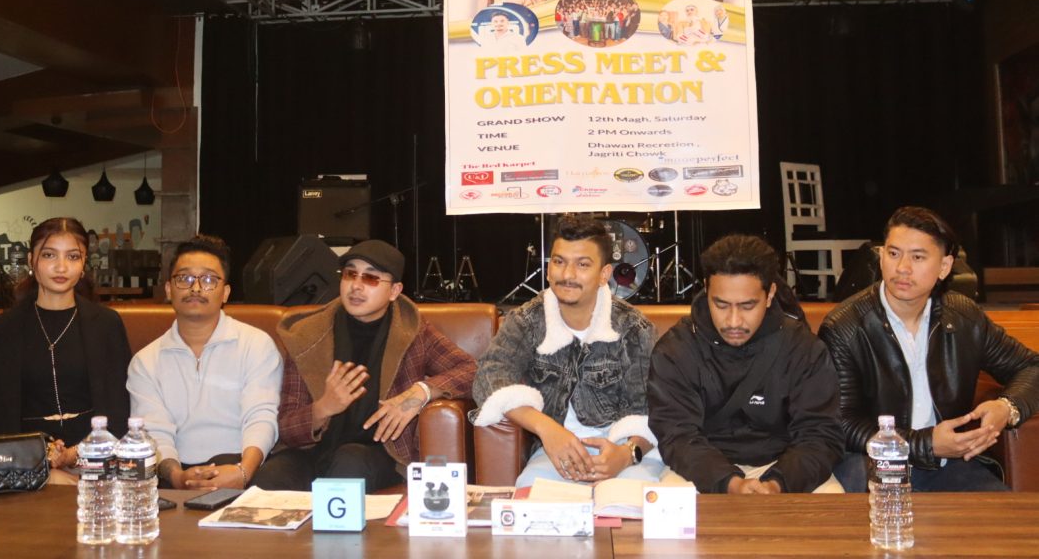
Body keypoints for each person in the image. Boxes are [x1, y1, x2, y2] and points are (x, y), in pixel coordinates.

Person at [819, 206, 1039, 492]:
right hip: (872, 463)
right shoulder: (845, 327)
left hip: (949, 465)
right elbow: (841, 424)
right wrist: (926, 444)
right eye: (893, 253)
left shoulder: (964, 317)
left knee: (1009, 517)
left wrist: (1006, 408)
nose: (902, 268)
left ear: (944, 267)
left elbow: (1031, 367)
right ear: (881, 256)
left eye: (918, 257)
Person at [255, 240, 476, 491]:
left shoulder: (412, 332)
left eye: (371, 278)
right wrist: (323, 408)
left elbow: (473, 371)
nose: (356, 286)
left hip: (377, 453)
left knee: (349, 463)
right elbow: (286, 428)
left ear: (394, 291)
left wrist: (420, 393)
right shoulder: (306, 336)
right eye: (350, 274)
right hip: (310, 452)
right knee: (267, 480)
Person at [472, 214, 662, 487]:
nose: (568, 275)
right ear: (548, 270)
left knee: (632, 505)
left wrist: (626, 453)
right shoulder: (528, 320)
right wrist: (546, 429)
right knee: (531, 499)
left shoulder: (633, 328)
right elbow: (489, 376)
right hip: (555, 452)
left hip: (624, 452)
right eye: (559, 262)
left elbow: (652, 408)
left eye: (583, 264)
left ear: (604, 274)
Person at [648, 235, 844, 494]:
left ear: (770, 294)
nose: (733, 321)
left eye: (747, 306)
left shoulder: (802, 348)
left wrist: (777, 483)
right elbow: (677, 436)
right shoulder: (677, 349)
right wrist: (730, 483)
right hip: (700, 469)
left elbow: (820, 435)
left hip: (787, 467)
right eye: (721, 304)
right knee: (670, 515)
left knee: (830, 513)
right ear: (706, 289)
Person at [0, 217, 131, 477]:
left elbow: (120, 409)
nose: (61, 266)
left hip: (97, 459)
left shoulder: (107, 325)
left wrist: (75, 454)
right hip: (21, 463)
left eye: (72, 256)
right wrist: (41, 457)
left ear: (83, 263)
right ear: (31, 260)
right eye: (49, 255)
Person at [127, 234, 282, 490]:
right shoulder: (144, 362)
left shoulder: (256, 344)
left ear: (226, 293)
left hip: (244, 464)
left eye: (209, 279)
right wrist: (177, 477)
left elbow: (261, 417)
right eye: (184, 278)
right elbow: (154, 432)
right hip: (177, 471)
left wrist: (243, 472)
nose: (196, 288)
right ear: (169, 289)